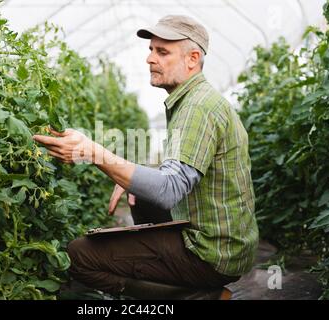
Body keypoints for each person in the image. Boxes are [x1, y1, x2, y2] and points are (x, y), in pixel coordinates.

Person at [33, 15, 259, 298]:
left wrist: (92, 151)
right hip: (227, 241)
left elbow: (168, 191)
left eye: (162, 52)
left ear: (192, 58)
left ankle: (197, 296)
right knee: (140, 192)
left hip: (213, 253)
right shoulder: (195, 99)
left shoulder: (198, 108)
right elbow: (179, 172)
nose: (150, 59)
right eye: (151, 50)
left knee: (80, 255)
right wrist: (133, 177)